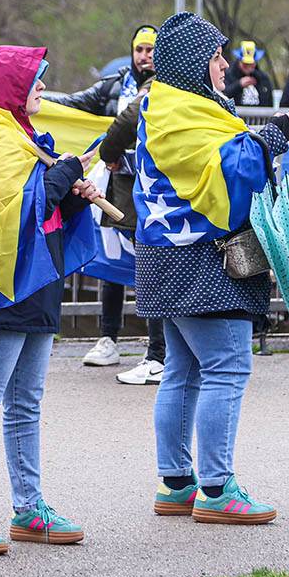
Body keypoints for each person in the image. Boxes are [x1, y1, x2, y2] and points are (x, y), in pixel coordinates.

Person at [134, 12, 289, 524]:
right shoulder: (184, 113)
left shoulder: (165, 107)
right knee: (227, 367)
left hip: (166, 256)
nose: (224, 65)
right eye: (216, 56)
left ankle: (176, 483)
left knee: (182, 371)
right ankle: (217, 488)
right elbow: (234, 170)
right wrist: (276, 136)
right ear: (192, 64)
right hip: (200, 259)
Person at [0, 45, 101, 555]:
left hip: (36, 281)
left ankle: (29, 508)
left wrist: (72, 192)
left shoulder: (26, 138)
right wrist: (58, 177)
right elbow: (1, 215)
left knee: (26, 404)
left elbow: (39, 204)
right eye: (34, 82)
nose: (43, 90)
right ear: (9, 88)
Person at [52, 24, 158, 368]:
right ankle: (108, 338)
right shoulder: (115, 84)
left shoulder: (164, 88)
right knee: (111, 265)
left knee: (150, 266)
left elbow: (129, 125)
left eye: (152, 49)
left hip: (148, 190)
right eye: (140, 49)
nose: (145, 56)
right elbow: (74, 104)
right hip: (115, 188)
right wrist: (34, 101)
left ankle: (156, 349)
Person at [95, 67, 167, 384]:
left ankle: (158, 356)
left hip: (155, 200)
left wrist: (108, 152)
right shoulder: (204, 91)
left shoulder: (159, 88)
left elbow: (128, 119)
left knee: (153, 275)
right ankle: (168, 354)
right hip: (176, 199)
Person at [53, 24, 157, 119]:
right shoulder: (110, 86)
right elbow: (71, 102)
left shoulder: (169, 87)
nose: (143, 57)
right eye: (138, 50)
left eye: (149, 50)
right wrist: (39, 98)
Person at [223, 40, 274, 107]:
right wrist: (239, 85)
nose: (249, 67)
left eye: (251, 64)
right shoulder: (228, 75)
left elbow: (269, 103)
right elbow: (223, 95)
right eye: (245, 64)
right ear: (239, 61)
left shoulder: (263, 78)